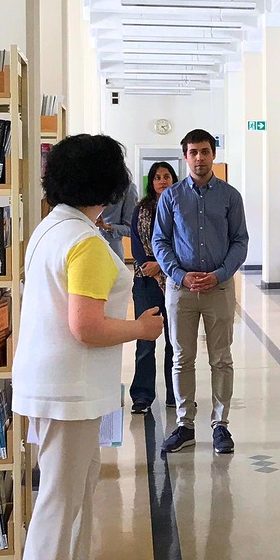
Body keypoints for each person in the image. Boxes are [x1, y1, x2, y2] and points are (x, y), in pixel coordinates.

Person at [13, 134, 164, 560]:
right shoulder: (85, 243)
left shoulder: (50, 228)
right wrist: (141, 328)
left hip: (54, 384)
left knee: (73, 496)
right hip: (69, 391)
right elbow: (87, 325)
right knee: (59, 503)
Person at [153, 129, 248, 455]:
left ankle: (221, 426)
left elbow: (240, 241)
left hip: (219, 289)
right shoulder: (171, 197)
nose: (199, 158)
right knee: (182, 359)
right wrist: (179, 274)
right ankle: (185, 425)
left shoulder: (230, 196)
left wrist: (220, 274)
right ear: (185, 157)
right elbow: (160, 241)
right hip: (181, 291)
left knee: (221, 359)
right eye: (193, 152)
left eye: (205, 151)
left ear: (213, 154)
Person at [129, 161, 179, 414]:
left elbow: (183, 242)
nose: (162, 181)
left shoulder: (181, 206)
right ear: (152, 181)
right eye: (157, 177)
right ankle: (142, 395)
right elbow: (136, 241)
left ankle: (175, 393)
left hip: (174, 279)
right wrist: (147, 264)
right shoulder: (141, 209)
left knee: (175, 341)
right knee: (145, 340)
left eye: (166, 176)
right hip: (145, 280)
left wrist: (160, 264)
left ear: (173, 179)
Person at [96, 179, 137, 260]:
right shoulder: (87, 184)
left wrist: (108, 227)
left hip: (112, 250)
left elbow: (131, 230)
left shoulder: (128, 188)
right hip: (83, 246)